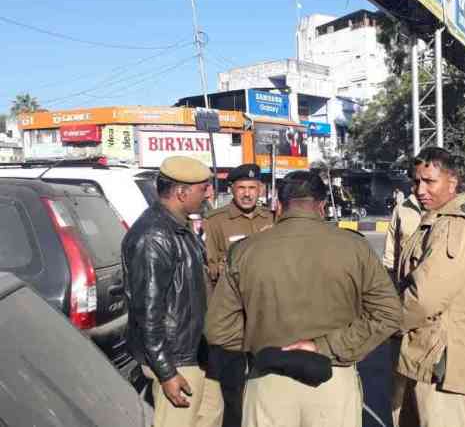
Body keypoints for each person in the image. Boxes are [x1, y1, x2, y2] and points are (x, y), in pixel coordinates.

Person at [206, 171, 402, 427]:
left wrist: (261, 341)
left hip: (267, 379)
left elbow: (217, 330)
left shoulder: (245, 250)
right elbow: (389, 314)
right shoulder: (354, 247)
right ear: (322, 206)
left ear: (278, 205)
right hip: (332, 379)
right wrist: (325, 346)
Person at [392, 147, 465, 427]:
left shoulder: (453, 228)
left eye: (429, 181)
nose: (419, 190)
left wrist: (382, 324)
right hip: (428, 350)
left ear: (451, 183)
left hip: (439, 357)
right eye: (416, 182)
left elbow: (425, 299)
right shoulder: (437, 220)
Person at [122, 156, 212, 427]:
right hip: (175, 358)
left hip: (193, 353)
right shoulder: (155, 235)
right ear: (182, 193)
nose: (208, 194)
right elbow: (147, 311)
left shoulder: (179, 227)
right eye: (203, 188)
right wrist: (166, 371)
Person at [200, 164, 275, 427]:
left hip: (266, 314)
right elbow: (209, 268)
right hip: (232, 316)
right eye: (241, 188)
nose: (247, 194)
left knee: (265, 380)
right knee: (231, 385)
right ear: (232, 189)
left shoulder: (273, 218)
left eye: (252, 188)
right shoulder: (216, 221)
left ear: (261, 189)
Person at [383, 192, 422, 277]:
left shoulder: (450, 209)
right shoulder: (401, 209)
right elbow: (391, 249)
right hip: (405, 281)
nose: (421, 188)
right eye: (417, 181)